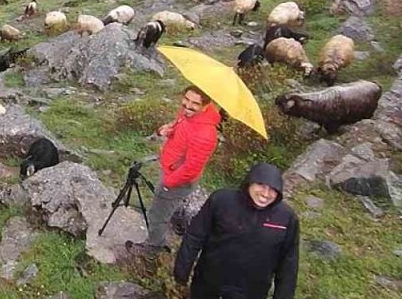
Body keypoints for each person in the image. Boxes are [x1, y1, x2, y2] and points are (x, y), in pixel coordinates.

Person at [173, 163, 300, 298]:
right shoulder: (221, 201)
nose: (266, 194)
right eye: (261, 186)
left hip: (251, 291)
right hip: (208, 282)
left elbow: (288, 263)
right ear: (249, 182)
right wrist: (181, 272)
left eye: (273, 190)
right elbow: (195, 236)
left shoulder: (286, 218)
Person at [127, 85, 221, 255]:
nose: (187, 106)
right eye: (186, 99)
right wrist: (169, 131)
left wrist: (168, 183)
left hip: (176, 180)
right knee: (161, 207)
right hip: (171, 169)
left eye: (194, 103)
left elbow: (191, 169)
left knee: (158, 214)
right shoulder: (188, 115)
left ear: (206, 105)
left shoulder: (205, 134)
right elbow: (180, 128)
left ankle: (152, 248)